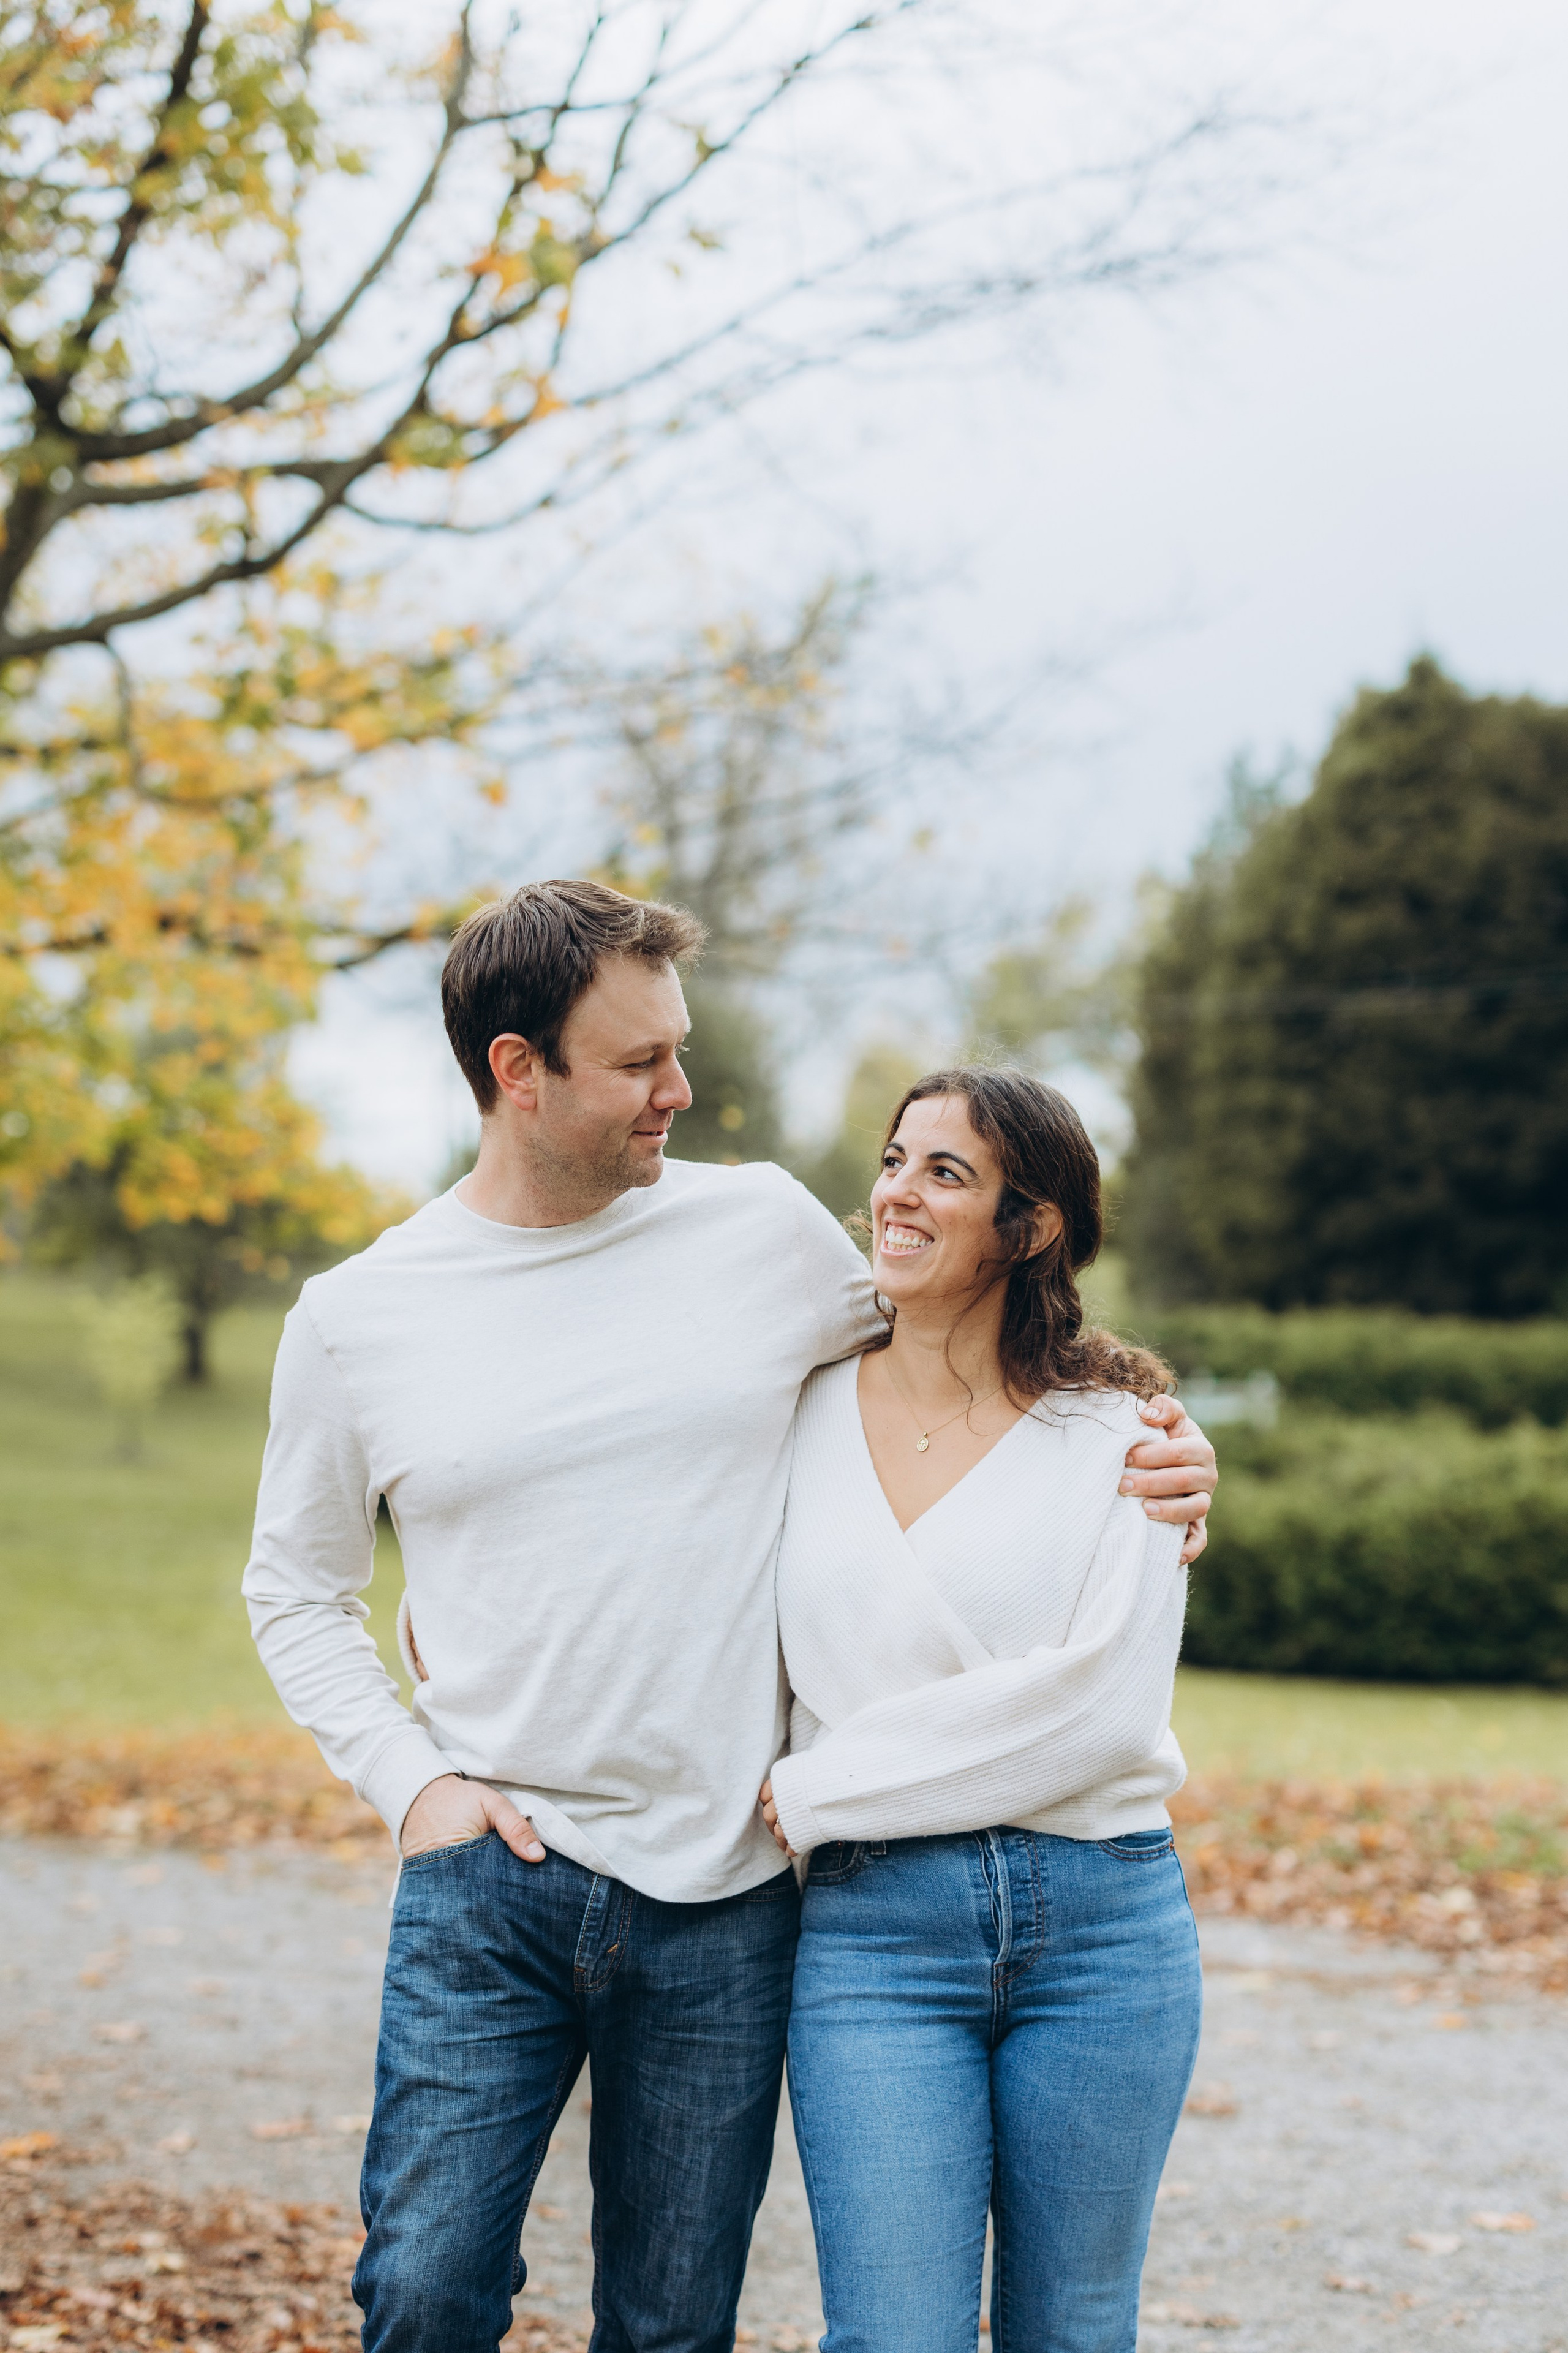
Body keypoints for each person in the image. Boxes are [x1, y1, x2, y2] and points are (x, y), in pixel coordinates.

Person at [242, 880, 1217, 2353]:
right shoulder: (357, 1317)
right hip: (488, 1873)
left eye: (677, 1050)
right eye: (639, 1064)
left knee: (672, 2320)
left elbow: (958, 1339)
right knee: (425, 2287)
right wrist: (412, 1783)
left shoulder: (758, 1229)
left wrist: (1154, 1438)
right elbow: (294, 1587)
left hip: (726, 1882)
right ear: (518, 1070)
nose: (679, 1092)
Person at [761, 1067, 1204, 2353]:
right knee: (890, 2336)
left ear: (1033, 1224)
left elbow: (1104, 1716)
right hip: (873, 1938)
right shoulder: (791, 1411)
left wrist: (819, 1788)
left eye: (943, 1172)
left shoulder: (1122, 1435)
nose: (896, 1191)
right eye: (894, 1159)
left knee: (1070, 2332)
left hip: (1104, 1929)